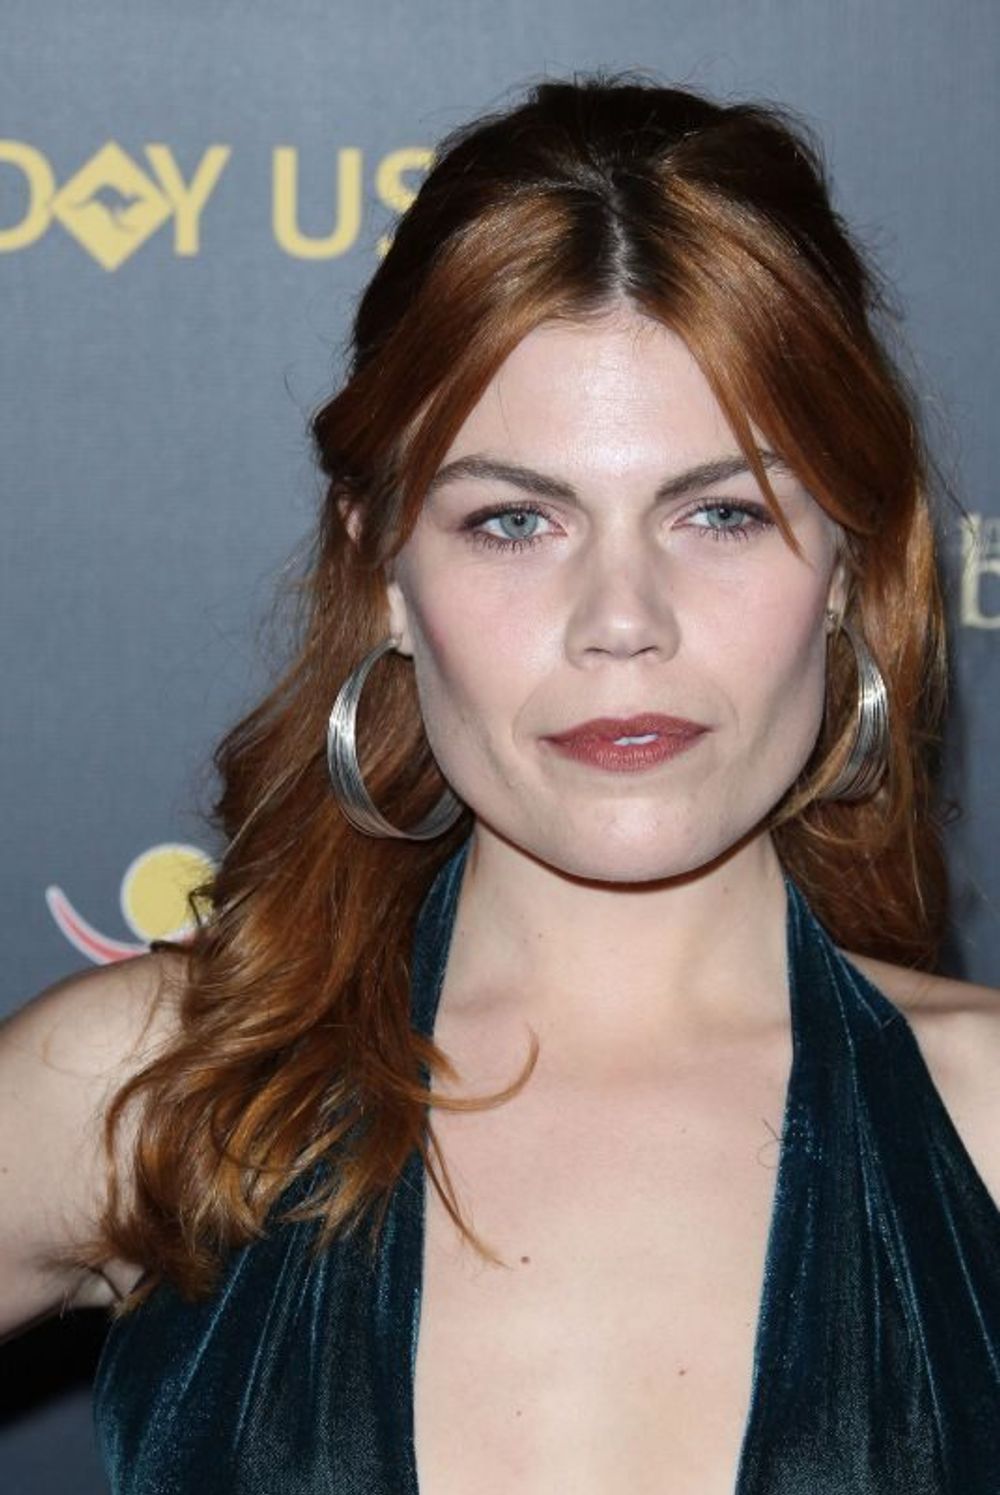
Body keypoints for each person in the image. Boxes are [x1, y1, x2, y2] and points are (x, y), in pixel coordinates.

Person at [2, 69, 999, 1495]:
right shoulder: (157, 1096)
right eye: (517, 521)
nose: (622, 622)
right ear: (384, 570)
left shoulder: (985, 1122)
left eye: (722, 513)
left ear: (846, 562)